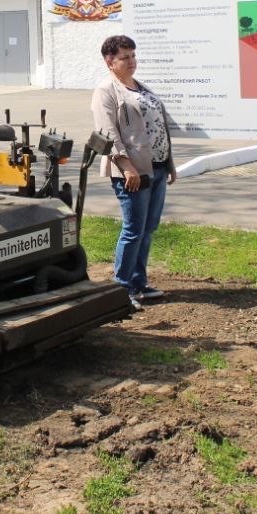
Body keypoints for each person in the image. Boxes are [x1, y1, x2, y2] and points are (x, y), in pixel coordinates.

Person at [90, 34, 176, 311]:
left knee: (148, 228)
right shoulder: (106, 91)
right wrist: (126, 167)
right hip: (131, 172)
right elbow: (107, 132)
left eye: (133, 56)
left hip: (157, 167)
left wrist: (169, 165)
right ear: (109, 61)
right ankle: (122, 288)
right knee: (133, 230)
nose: (131, 62)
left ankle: (139, 283)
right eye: (124, 57)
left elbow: (158, 126)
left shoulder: (140, 87)